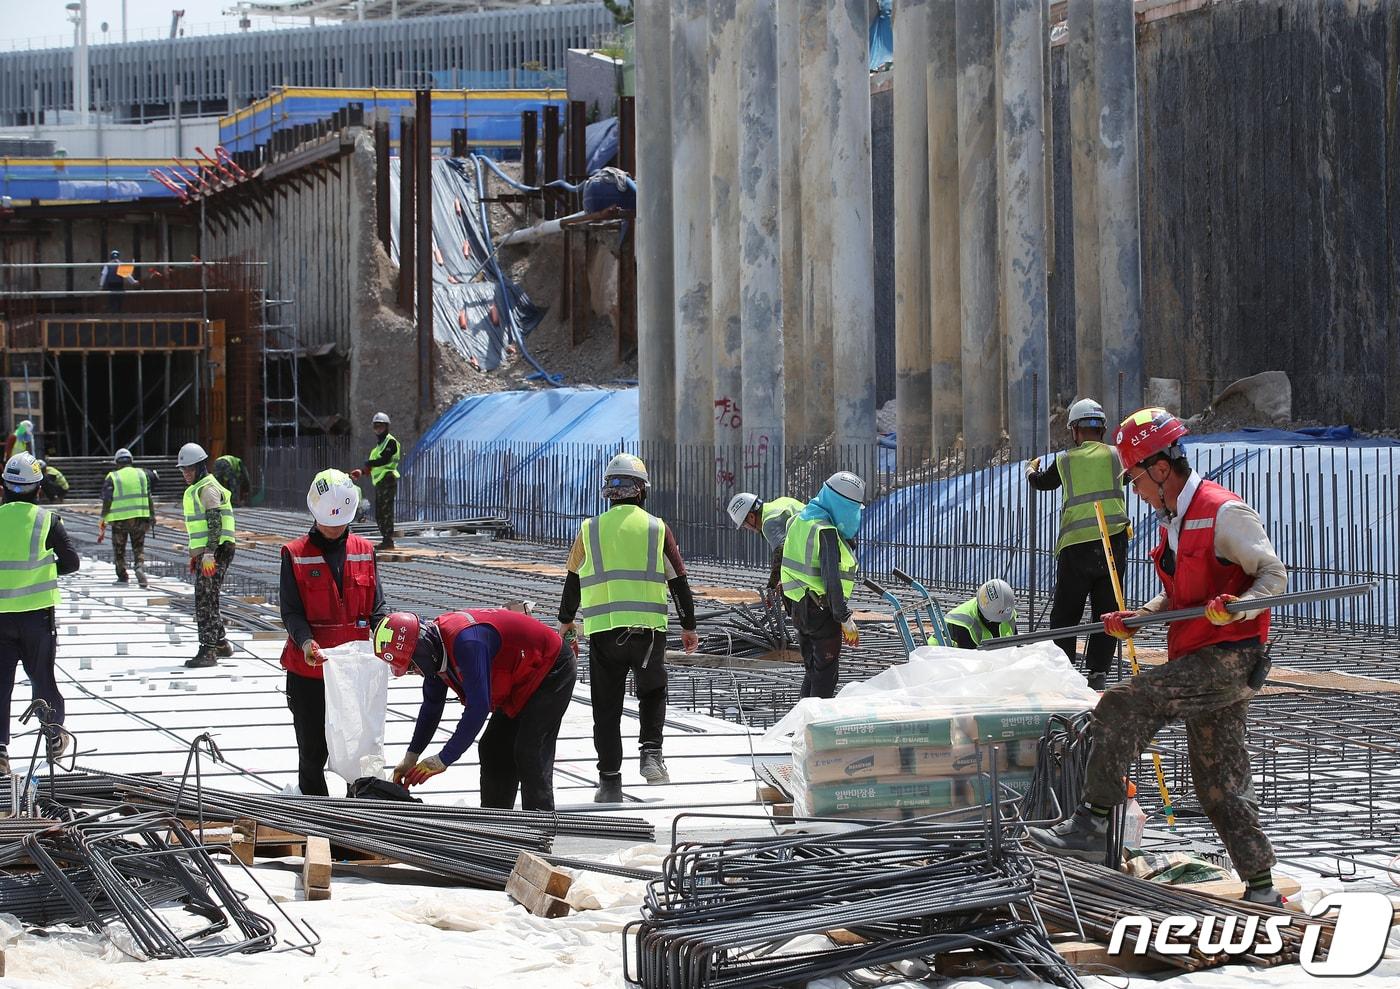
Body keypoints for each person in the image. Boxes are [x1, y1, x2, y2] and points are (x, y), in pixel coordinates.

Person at [1027, 408, 1288, 906]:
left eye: (1136, 478)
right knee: (1218, 780)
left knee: (1123, 703)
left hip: (1230, 655)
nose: (1135, 490)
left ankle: (1092, 821)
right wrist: (1138, 616)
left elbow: (1274, 579)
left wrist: (1235, 609)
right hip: (1203, 656)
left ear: (1161, 468)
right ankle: (1261, 886)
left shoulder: (1224, 512)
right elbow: (1178, 599)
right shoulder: (1175, 521)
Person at [557, 453, 699, 803]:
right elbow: (679, 581)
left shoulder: (589, 530)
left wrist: (567, 624)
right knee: (652, 691)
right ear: (642, 491)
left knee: (606, 708)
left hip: (604, 633)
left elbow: (572, 581)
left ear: (609, 492)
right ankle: (651, 753)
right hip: (649, 631)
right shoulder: (656, 528)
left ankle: (609, 783)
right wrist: (689, 626)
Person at [373, 605, 575, 811]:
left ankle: (539, 831)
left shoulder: (466, 643)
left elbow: (478, 707)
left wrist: (443, 758)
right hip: (520, 678)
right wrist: (411, 757)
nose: (414, 671)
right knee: (493, 747)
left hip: (551, 668)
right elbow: (432, 707)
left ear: (421, 648)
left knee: (529, 750)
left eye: (411, 665)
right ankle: (497, 824)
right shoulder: (434, 652)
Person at [280, 469, 390, 796]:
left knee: (357, 754)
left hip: (352, 676)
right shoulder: (295, 554)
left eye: (341, 521)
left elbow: (378, 609)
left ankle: (355, 824)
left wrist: (389, 642)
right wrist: (305, 641)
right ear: (314, 514)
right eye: (329, 521)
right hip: (310, 673)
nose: (336, 527)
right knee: (312, 754)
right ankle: (318, 825)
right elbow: (292, 612)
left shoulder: (364, 551)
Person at [1026, 398, 1131, 690]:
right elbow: (1133, 478)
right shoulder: (1116, 456)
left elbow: (1042, 483)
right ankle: (1098, 673)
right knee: (1108, 610)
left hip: (1076, 547)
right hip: (1114, 543)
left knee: (1066, 612)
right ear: (1102, 429)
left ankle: (1064, 670)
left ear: (1075, 430)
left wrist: (1030, 472)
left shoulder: (1065, 460)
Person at [0, 453, 80, 774]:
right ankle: (53, 737)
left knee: (0, 683)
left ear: (4, 486)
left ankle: (0, 753)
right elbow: (71, 562)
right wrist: (44, 570)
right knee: (42, 677)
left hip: (1, 618)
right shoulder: (47, 520)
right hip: (37, 619)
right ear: (38, 488)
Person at [780, 471, 866, 699]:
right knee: (825, 677)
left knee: (812, 671)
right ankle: (814, 730)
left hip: (798, 606)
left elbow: (783, 557)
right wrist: (844, 618)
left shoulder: (801, 519)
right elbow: (831, 579)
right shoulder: (824, 530)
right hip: (821, 611)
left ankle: (800, 727)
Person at [179, 442, 236, 669]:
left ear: (201, 467)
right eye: (183, 470)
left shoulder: (207, 488)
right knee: (208, 596)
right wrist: (197, 554)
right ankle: (220, 643)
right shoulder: (200, 487)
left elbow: (215, 522)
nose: (186, 473)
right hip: (211, 551)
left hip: (217, 550)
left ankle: (208, 650)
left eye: (190, 469)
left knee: (204, 599)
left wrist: (210, 553)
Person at [726, 492, 805, 600]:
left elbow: (781, 554)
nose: (748, 529)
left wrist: (771, 589)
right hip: (821, 542)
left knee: (790, 594)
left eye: (745, 524)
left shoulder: (768, 522)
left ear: (751, 516)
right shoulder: (781, 502)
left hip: (814, 554)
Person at [98, 448, 155, 588]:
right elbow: (149, 497)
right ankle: (139, 567)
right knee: (138, 547)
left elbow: (107, 500)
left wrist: (103, 518)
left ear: (117, 462)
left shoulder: (113, 477)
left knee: (119, 549)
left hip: (120, 520)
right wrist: (152, 516)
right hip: (140, 518)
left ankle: (122, 576)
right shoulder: (142, 475)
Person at [350, 412, 399, 550]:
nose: (378, 429)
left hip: (388, 479)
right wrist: (361, 471)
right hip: (380, 482)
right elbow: (372, 466)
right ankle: (386, 539)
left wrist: (369, 462)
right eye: (376, 427)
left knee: (386, 511)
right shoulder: (378, 447)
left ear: (387, 427)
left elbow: (384, 459)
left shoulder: (390, 442)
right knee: (380, 513)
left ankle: (388, 540)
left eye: (381, 426)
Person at [941, 579, 1018, 649]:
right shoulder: (962, 622)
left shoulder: (1007, 612)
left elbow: (1015, 647)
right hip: (938, 657)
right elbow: (969, 659)